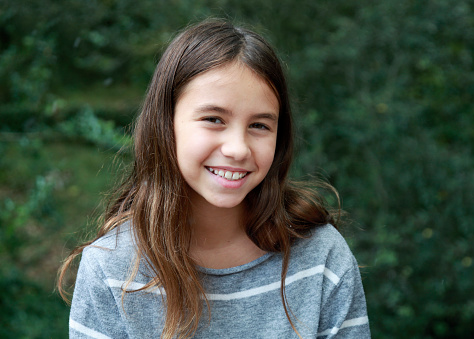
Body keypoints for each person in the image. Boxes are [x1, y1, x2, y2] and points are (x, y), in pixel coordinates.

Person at [58, 19, 370, 339]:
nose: (237, 149)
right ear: (166, 124)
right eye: (213, 119)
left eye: (259, 125)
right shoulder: (113, 267)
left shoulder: (321, 257)